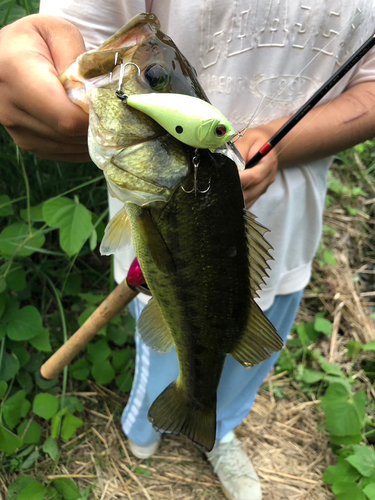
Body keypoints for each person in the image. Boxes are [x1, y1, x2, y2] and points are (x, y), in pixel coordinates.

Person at [1, 2, 375, 499]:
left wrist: (278, 141)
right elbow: (67, 41)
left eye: (152, 75)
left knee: (244, 360)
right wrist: (39, 55)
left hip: (291, 236)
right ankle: (148, 427)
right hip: (177, 259)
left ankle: (216, 426)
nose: (144, 58)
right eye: (154, 78)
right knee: (164, 358)